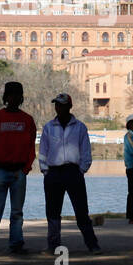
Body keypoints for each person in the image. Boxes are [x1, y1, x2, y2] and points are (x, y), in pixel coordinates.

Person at [0, 81, 36, 256]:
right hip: (0, 171)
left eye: (17, 95)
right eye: (10, 95)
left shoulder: (27, 120)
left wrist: (26, 168)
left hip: (19, 172)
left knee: (17, 212)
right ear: (6, 97)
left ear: (21, 98)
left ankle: (16, 244)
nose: (13, 98)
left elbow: (31, 146)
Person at [39, 93, 101, 254]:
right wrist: (45, 170)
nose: (58, 108)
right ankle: (53, 245)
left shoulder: (80, 127)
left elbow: (86, 151)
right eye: (56, 105)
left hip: (73, 172)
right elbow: (43, 151)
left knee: (81, 211)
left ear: (69, 106)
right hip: (53, 173)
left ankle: (92, 245)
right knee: (52, 212)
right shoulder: (48, 127)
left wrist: (81, 170)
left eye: (61, 105)